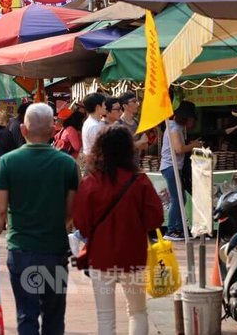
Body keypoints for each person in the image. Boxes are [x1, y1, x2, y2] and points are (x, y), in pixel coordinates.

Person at [0, 103, 79, 335]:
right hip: (54, 251)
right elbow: (71, 212)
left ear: (23, 130)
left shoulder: (8, 162)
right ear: (52, 130)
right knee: (54, 316)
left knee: (27, 314)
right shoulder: (67, 164)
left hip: (22, 251)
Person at [72, 125, 163, 335]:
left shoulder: (91, 182)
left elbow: (81, 222)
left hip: (100, 257)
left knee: (105, 316)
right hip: (133, 255)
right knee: (138, 312)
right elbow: (155, 218)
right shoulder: (140, 181)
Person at [161, 101, 202, 241]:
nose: (192, 122)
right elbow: (178, 150)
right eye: (191, 119)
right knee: (177, 198)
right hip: (170, 167)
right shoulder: (174, 128)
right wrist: (193, 145)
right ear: (186, 118)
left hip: (173, 167)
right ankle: (172, 230)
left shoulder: (176, 127)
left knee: (180, 198)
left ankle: (178, 228)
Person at [81, 93, 107, 165]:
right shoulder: (94, 126)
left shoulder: (91, 122)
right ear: (98, 107)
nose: (105, 107)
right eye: (104, 104)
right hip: (96, 162)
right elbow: (98, 148)